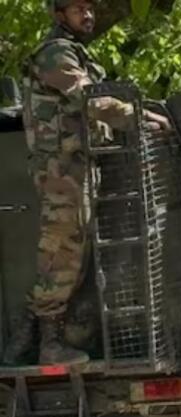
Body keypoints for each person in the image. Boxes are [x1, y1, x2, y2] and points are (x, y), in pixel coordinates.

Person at [2, 0, 170, 366]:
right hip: (61, 168)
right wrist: (140, 116)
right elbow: (90, 99)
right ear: (59, 14)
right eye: (78, 9)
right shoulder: (55, 53)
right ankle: (44, 342)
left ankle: (29, 339)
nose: (88, 15)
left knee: (74, 255)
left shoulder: (76, 53)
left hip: (79, 165)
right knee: (62, 252)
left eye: (90, 9)